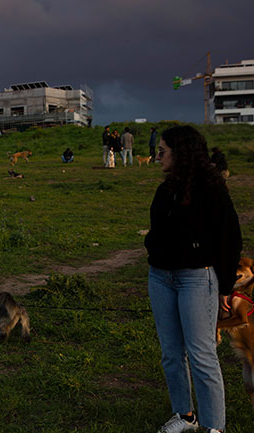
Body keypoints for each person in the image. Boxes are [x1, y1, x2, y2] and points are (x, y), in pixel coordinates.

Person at [145, 125, 242, 433]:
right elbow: (156, 231)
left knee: (202, 355)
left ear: (181, 154)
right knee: (171, 353)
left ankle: (215, 427)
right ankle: (185, 416)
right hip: (160, 278)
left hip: (197, 280)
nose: (157, 156)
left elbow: (230, 239)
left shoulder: (212, 190)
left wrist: (225, 286)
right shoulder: (165, 189)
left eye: (162, 151)